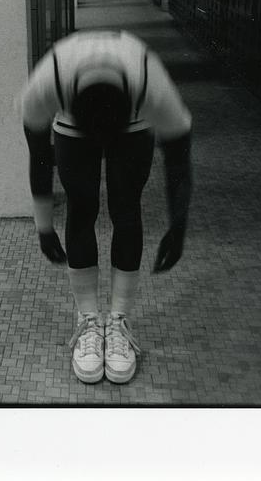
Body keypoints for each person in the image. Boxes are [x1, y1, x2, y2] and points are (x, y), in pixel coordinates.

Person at [19, 29, 192, 385]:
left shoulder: (151, 82)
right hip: (72, 126)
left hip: (134, 127)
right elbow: (39, 156)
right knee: (82, 209)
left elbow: (178, 158)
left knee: (125, 209)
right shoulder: (46, 81)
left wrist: (179, 225)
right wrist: (44, 224)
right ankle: (88, 320)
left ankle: (118, 321)